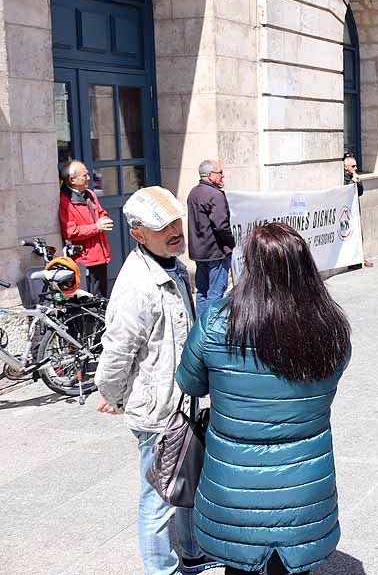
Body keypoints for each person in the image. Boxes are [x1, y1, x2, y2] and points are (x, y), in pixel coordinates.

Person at [175, 223, 351, 575]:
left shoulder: (216, 322)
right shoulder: (330, 325)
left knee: (238, 567)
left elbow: (189, 383)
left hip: (235, 480)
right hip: (303, 480)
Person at [94, 186, 220, 575]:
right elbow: (116, 353)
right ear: (138, 234)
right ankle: (160, 569)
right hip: (157, 408)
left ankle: (192, 551)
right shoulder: (137, 284)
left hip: (180, 399)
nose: (175, 231)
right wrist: (113, 397)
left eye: (176, 222)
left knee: (186, 481)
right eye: (163, 227)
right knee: (158, 496)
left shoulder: (175, 266)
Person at [187, 160, 236, 314]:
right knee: (215, 293)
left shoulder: (193, 192)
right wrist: (231, 243)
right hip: (216, 252)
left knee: (202, 292)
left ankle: (200, 330)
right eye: (220, 173)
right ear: (209, 175)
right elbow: (221, 226)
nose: (223, 176)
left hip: (199, 252)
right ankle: (209, 330)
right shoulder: (215, 195)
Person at [58, 159, 113, 297]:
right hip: (85, 260)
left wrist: (104, 218)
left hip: (100, 255)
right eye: (84, 175)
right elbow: (70, 232)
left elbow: (100, 212)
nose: (89, 178)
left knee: (101, 297)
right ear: (72, 180)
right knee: (89, 299)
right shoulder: (65, 201)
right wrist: (97, 227)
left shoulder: (90, 194)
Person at [344, 154, 373, 267]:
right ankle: (352, 261)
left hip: (355, 209)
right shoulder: (345, 177)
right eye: (353, 166)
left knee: (358, 234)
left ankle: (359, 257)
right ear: (346, 167)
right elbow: (346, 190)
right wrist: (352, 182)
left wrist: (358, 181)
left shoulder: (354, 176)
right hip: (347, 211)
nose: (355, 168)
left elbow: (360, 192)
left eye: (356, 166)